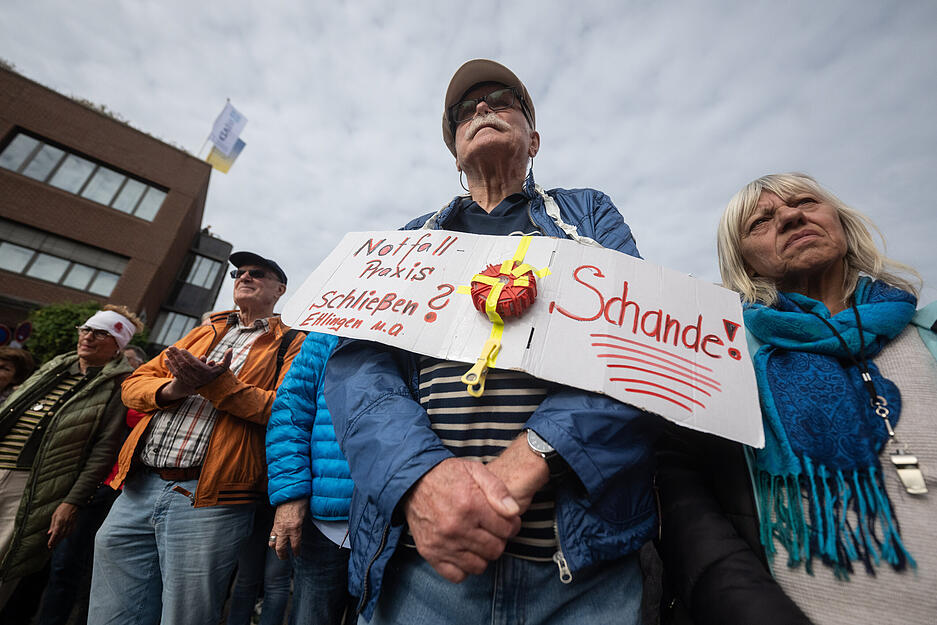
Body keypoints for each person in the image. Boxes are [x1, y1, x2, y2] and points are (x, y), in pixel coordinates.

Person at [325, 59, 659, 625]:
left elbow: (636, 338)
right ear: (454, 149)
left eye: (503, 100)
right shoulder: (412, 238)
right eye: (464, 111)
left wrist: (528, 460)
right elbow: (359, 369)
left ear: (535, 138)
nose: (482, 109)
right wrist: (421, 478)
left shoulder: (587, 214)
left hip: (579, 574)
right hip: (420, 571)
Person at [656, 172, 936, 625]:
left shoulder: (929, 336)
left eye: (805, 201)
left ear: (840, 222)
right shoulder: (717, 362)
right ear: (744, 263)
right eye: (760, 222)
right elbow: (691, 515)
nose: (790, 216)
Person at [89, 251, 305, 625]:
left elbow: (284, 411)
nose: (244, 277)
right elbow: (134, 385)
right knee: (111, 614)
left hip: (209, 500)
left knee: (185, 616)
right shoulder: (206, 330)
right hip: (137, 489)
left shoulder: (292, 342)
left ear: (280, 289)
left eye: (258, 273)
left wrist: (219, 386)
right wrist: (173, 389)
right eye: (239, 272)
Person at [0, 306, 141, 612]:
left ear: (118, 344)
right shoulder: (56, 366)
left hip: (34, 483)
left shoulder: (120, 385)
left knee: (6, 561)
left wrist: (72, 502)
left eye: (101, 333)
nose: (88, 337)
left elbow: (103, 450)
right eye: (86, 329)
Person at [266, 331, 352, 625]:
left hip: (397, 522)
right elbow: (291, 410)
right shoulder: (329, 331)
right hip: (326, 525)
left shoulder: (428, 329)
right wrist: (290, 496)